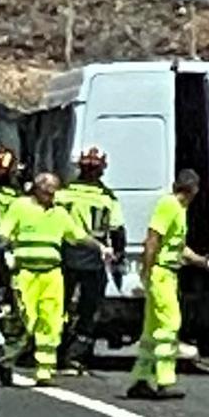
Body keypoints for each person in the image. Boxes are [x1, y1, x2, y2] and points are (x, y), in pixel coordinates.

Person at [0, 171, 103, 386]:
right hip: (25, 273)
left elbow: (78, 236)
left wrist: (101, 248)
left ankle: (45, 370)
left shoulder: (59, 214)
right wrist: (3, 253)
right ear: (37, 189)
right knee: (23, 322)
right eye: (47, 192)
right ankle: (6, 363)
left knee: (51, 321)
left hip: (52, 274)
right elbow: (4, 233)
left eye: (54, 193)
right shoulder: (20, 206)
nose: (51, 197)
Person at [127, 169, 209, 402]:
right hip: (161, 274)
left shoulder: (178, 209)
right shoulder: (168, 206)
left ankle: (141, 378)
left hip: (166, 273)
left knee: (152, 330)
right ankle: (165, 380)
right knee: (170, 324)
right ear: (194, 189)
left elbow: (177, 248)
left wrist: (203, 262)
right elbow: (153, 238)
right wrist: (147, 271)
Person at [56, 148, 123, 374]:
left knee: (60, 306)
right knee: (89, 309)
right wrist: (118, 257)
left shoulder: (64, 193)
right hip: (93, 257)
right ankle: (75, 357)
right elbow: (117, 230)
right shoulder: (107, 198)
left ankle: (55, 350)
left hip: (66, 254)